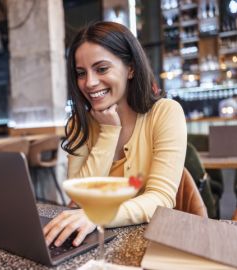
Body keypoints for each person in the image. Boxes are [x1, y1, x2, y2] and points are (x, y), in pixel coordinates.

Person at [43, 21, 187, 248]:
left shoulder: (165, 113)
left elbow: (161, 199)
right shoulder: (78, 124)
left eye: (101, 69)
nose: (89, 83)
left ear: (130, 68)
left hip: (152, 243)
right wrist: (109, 132)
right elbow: (81, 199)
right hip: (95, 240)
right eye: (81, 73)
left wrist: (99, 215)